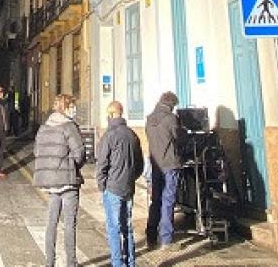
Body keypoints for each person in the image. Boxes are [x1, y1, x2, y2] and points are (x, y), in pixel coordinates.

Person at [33, 93, 85, 267]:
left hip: (50, 181)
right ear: (67, 107)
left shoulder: (44, 127)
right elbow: (79, 154)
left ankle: (50, 262)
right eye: (73, 106)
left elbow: (37, 152)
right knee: (69, 224)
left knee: (51, 222)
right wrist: (73, 163)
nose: (75, 110)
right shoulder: (69, 126)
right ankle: (71, 263)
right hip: (68, 180)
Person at [96, 101, 144, 267]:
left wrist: (103, 185)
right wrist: (131, 179)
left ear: (109, 115)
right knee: (127, 227)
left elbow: (101, 164)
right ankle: (131, 262)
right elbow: (140, 165)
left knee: (114, 228)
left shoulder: (109, 136)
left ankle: (117, 263)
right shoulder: (132, 135)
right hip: (128, 188)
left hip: (113, 188)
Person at [144, 91, 182, 249]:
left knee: (156, 200)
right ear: (172, 104)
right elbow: (179, 138)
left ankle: (151, 236)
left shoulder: (149, 119)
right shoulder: (171, 118)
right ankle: (166, 239)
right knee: (168, 200)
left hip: (155, 164)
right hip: (169, 164)